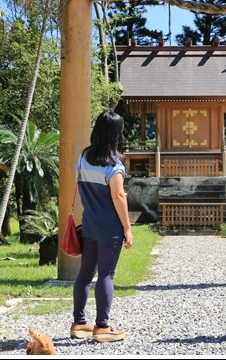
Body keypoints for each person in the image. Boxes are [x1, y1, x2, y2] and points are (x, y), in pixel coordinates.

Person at [70, 110, 134, 343]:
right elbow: (119, 196)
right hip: (109, 229)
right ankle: (102, 327)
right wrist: (127, 228)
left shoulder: (83, 157)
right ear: (116, 135)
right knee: (106, 274)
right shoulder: (114, 165)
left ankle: (79, 323)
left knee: (85, 274)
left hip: (89, 226)